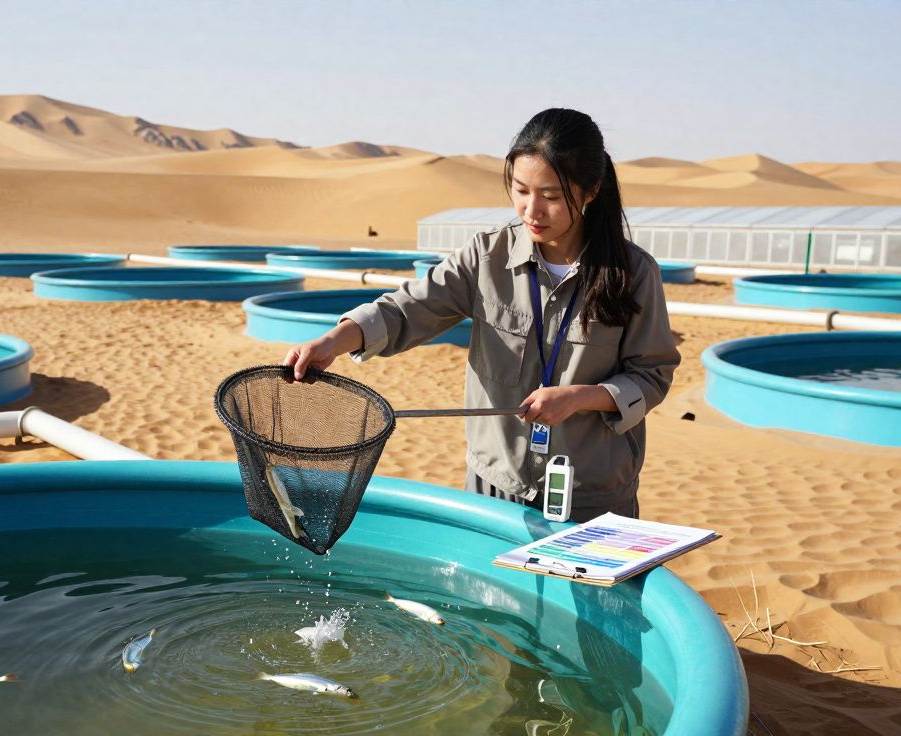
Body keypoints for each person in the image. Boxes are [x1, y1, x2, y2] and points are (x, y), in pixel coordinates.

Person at [283, 108, 681, 522]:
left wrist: (581, 398)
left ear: (591, 191)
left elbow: (651, 375)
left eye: (551, 196)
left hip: (591, 495)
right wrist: (335, 339)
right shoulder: (485, 257)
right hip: (495, 488)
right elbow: (408, 308)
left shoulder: (633, 274)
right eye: (520, 190)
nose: (531, 210)